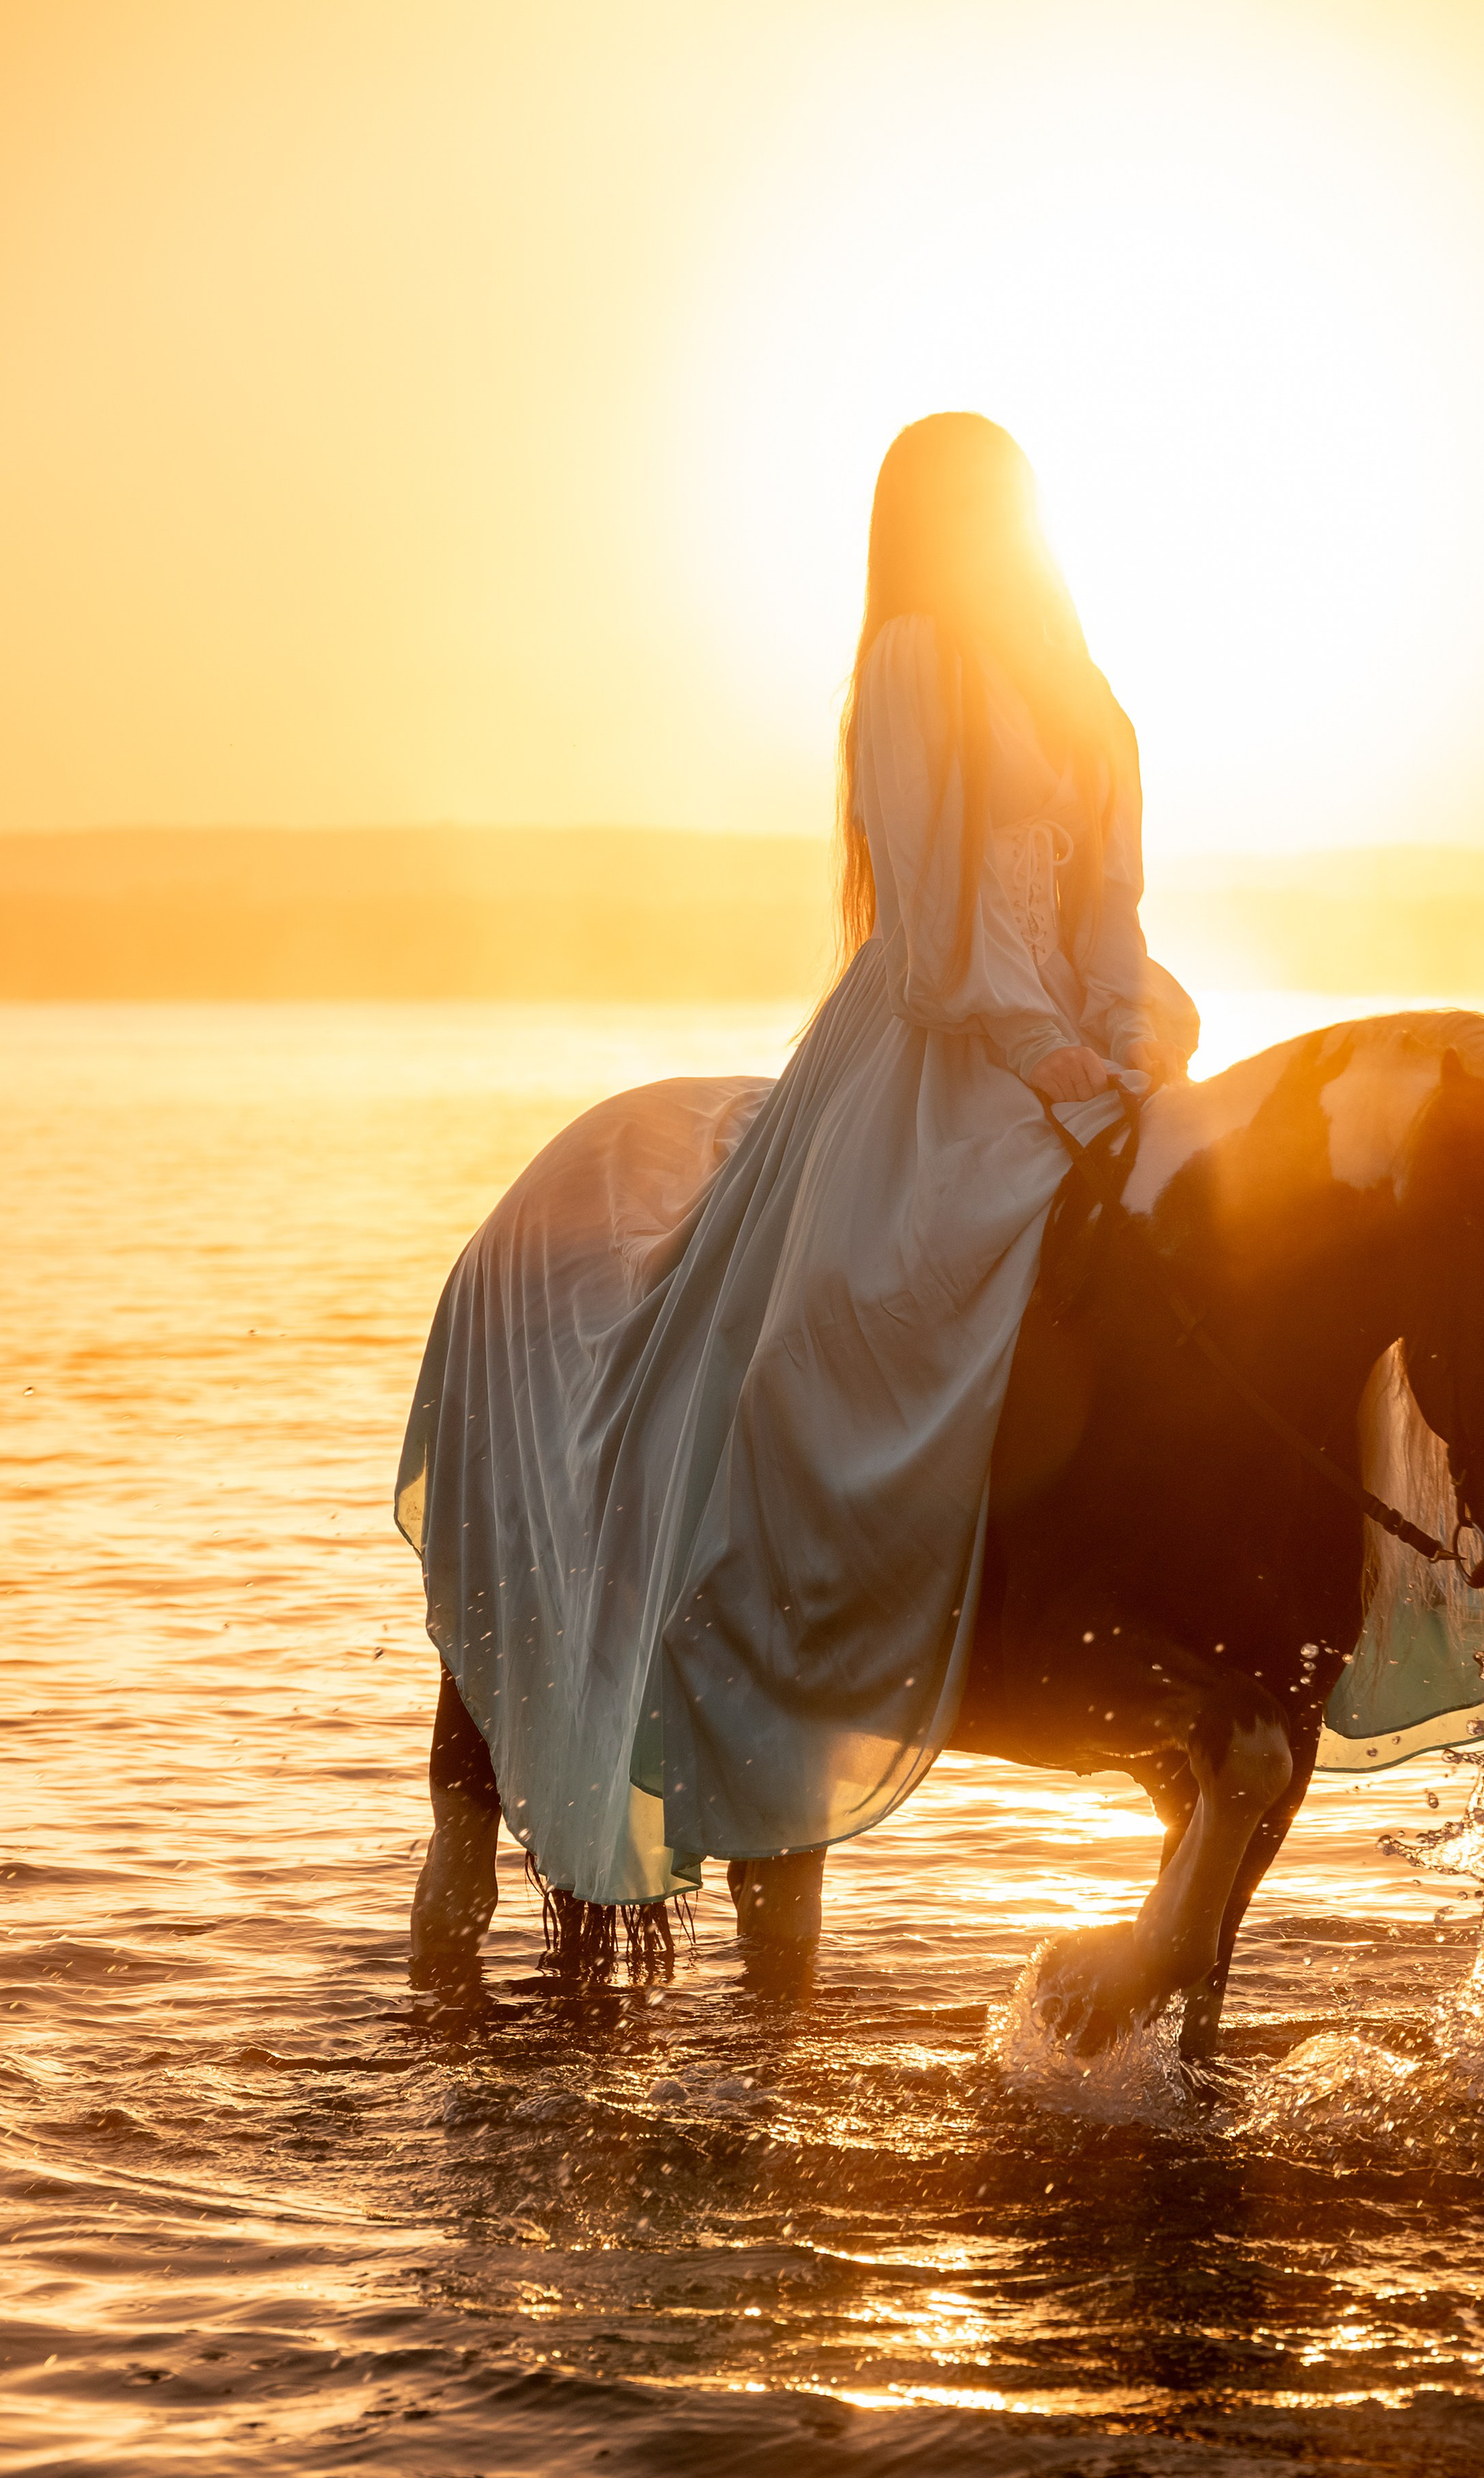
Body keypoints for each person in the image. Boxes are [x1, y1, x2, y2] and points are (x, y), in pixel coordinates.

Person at [399, 411, 1198, 1971]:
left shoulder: (1083, 693)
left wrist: (1125, 1040)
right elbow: (927, 934)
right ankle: (752, 1633)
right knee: (843, 1322)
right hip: (932, 1061)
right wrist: (1043, 1058)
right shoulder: (912, 667)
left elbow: (1111, 907)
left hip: (1076, 1055)